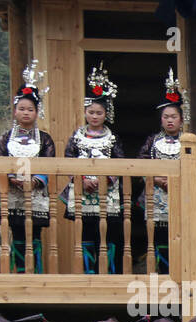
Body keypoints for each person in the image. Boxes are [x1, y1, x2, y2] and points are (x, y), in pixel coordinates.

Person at [0, 61, 55, 274]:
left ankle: (34, 272)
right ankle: (19, 271)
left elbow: (49, 162)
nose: (26, 113)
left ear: (37, 112)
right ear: (15, 111)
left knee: (33, 234)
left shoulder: (45, 139)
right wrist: (11, 177)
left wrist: (34, 180)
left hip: (34, 194)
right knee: (15, 232)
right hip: (10, 191)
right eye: (22, 109)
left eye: (30, 109)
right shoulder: (5, 138)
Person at [62, 63, 125, 275]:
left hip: (106, 193)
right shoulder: (76, 136)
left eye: (99, 112)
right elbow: (69, 158)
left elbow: (120, 161)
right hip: (83, 191)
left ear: (106, 114)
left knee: (107, 233)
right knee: (86, 232)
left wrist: (105, 180)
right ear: (85, 113)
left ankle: (108, 273)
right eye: (91, 112)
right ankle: (88, 273)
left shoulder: (113, 137)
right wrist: (80, 180)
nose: (95, 116)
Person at [136, 69, 188, 274]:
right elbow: (141, 162)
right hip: (157, 197)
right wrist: (157, 179)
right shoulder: (152, 141)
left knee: (181, 236)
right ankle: (161, 272)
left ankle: (180, 272)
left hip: (180, 196)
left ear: (181, 120)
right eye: (165, 117)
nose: (169, 121)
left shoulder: (189, 140)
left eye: (173, 117)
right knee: (158, 236)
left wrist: (176, 181)